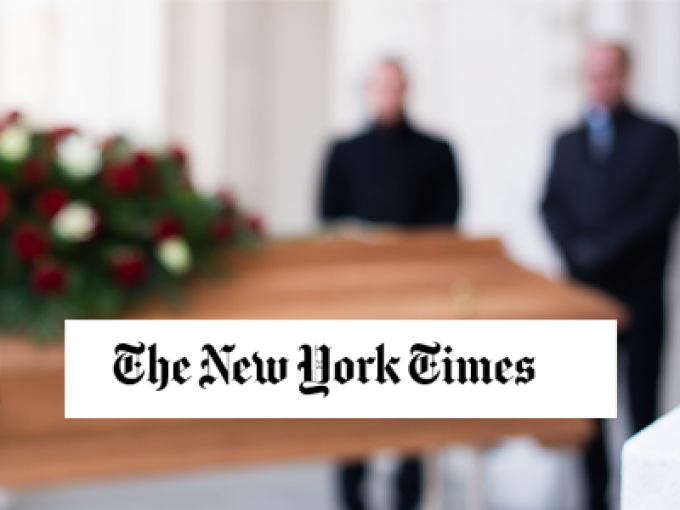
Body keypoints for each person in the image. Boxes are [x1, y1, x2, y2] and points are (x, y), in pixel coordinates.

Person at [541, 42, 680, 510]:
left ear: (625, 75)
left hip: (638, 292)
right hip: (584, 296)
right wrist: (577, 250)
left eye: (610, 73)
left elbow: (661, 206)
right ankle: (594, 498)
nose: (602, 83)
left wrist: (609, 246)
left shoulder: (658, 137)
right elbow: (550, 204)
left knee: (641, 403)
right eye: (594, 74)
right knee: (588, 409)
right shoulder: (567, 141)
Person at [319, 59, 461, 510]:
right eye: (379, 87)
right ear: (367, 91)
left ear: (406, 90)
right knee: (351, 400)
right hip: (356, 299)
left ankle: (407, 496)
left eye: (394, 87)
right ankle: (351, 495)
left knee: (411, 398)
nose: (387, 95)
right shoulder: (344, 150)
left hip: (416, 298)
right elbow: (328, 220)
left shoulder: (435, 151)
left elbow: (447, 219)